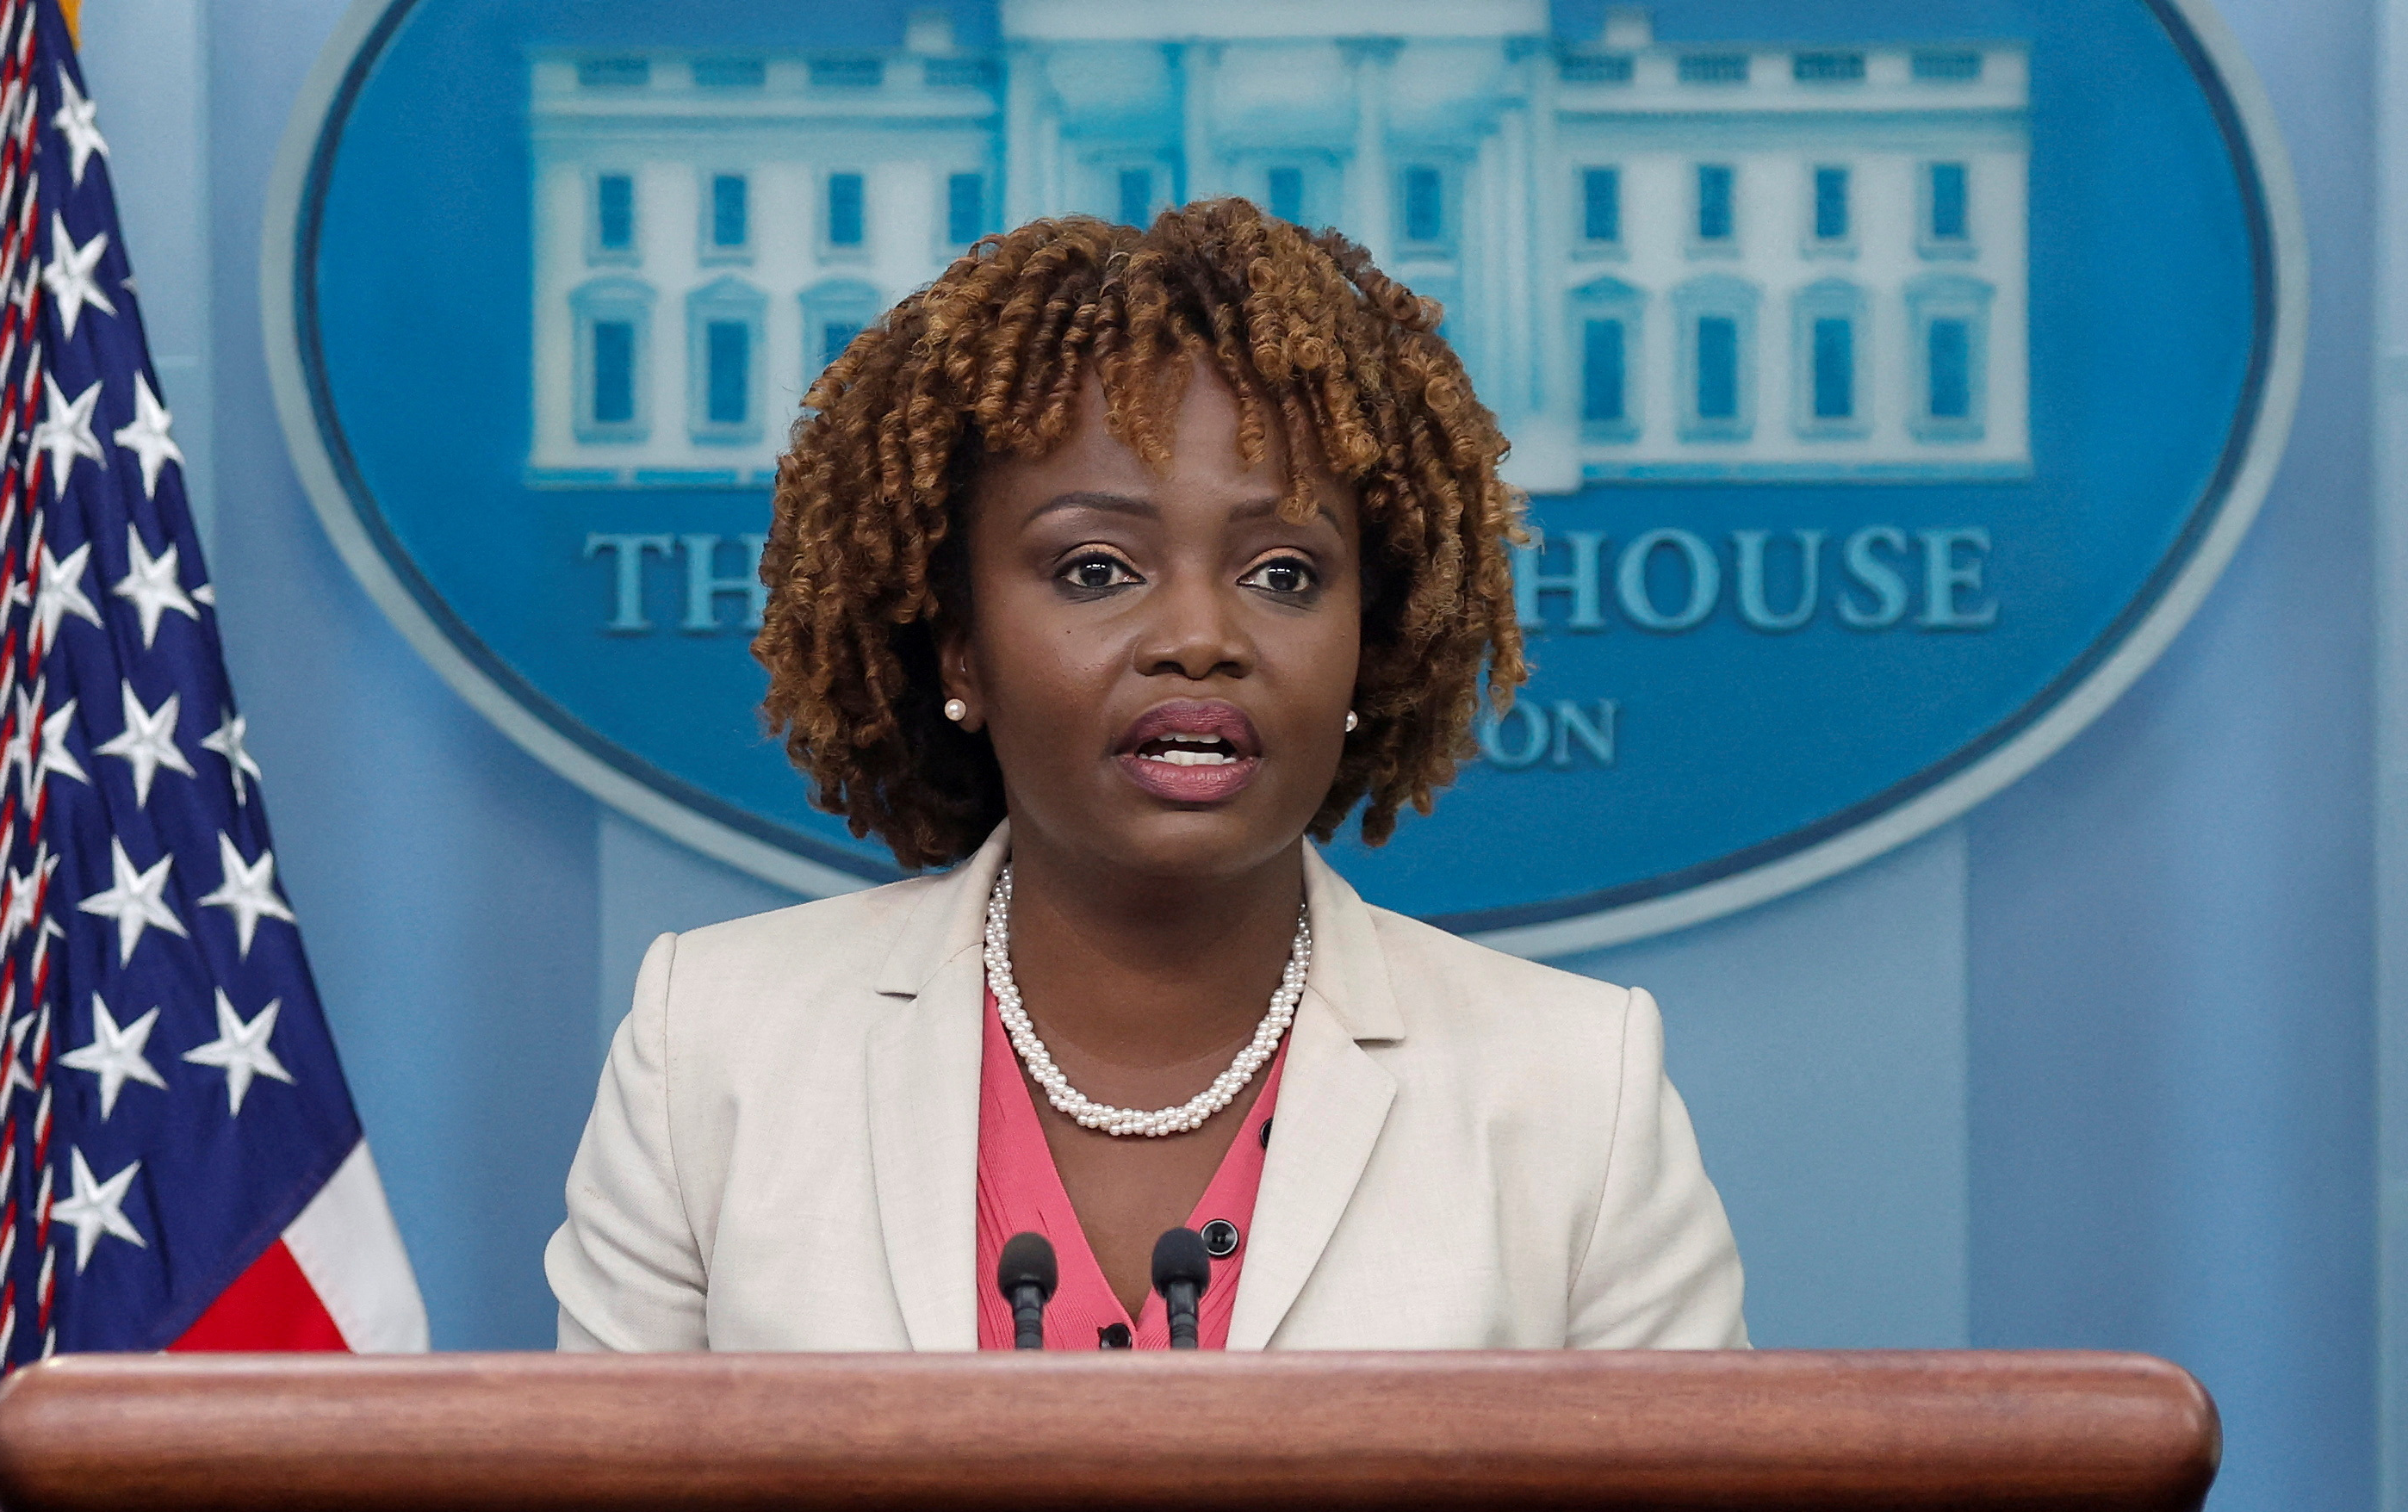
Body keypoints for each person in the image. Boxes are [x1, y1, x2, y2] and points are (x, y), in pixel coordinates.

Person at [548, 199, 1747, 1353]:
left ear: (1368, 644)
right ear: (960, 643)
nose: (1197, 634)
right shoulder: (714, 1048)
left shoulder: (1574, 1088)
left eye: (1282, 573)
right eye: (1093, 568)